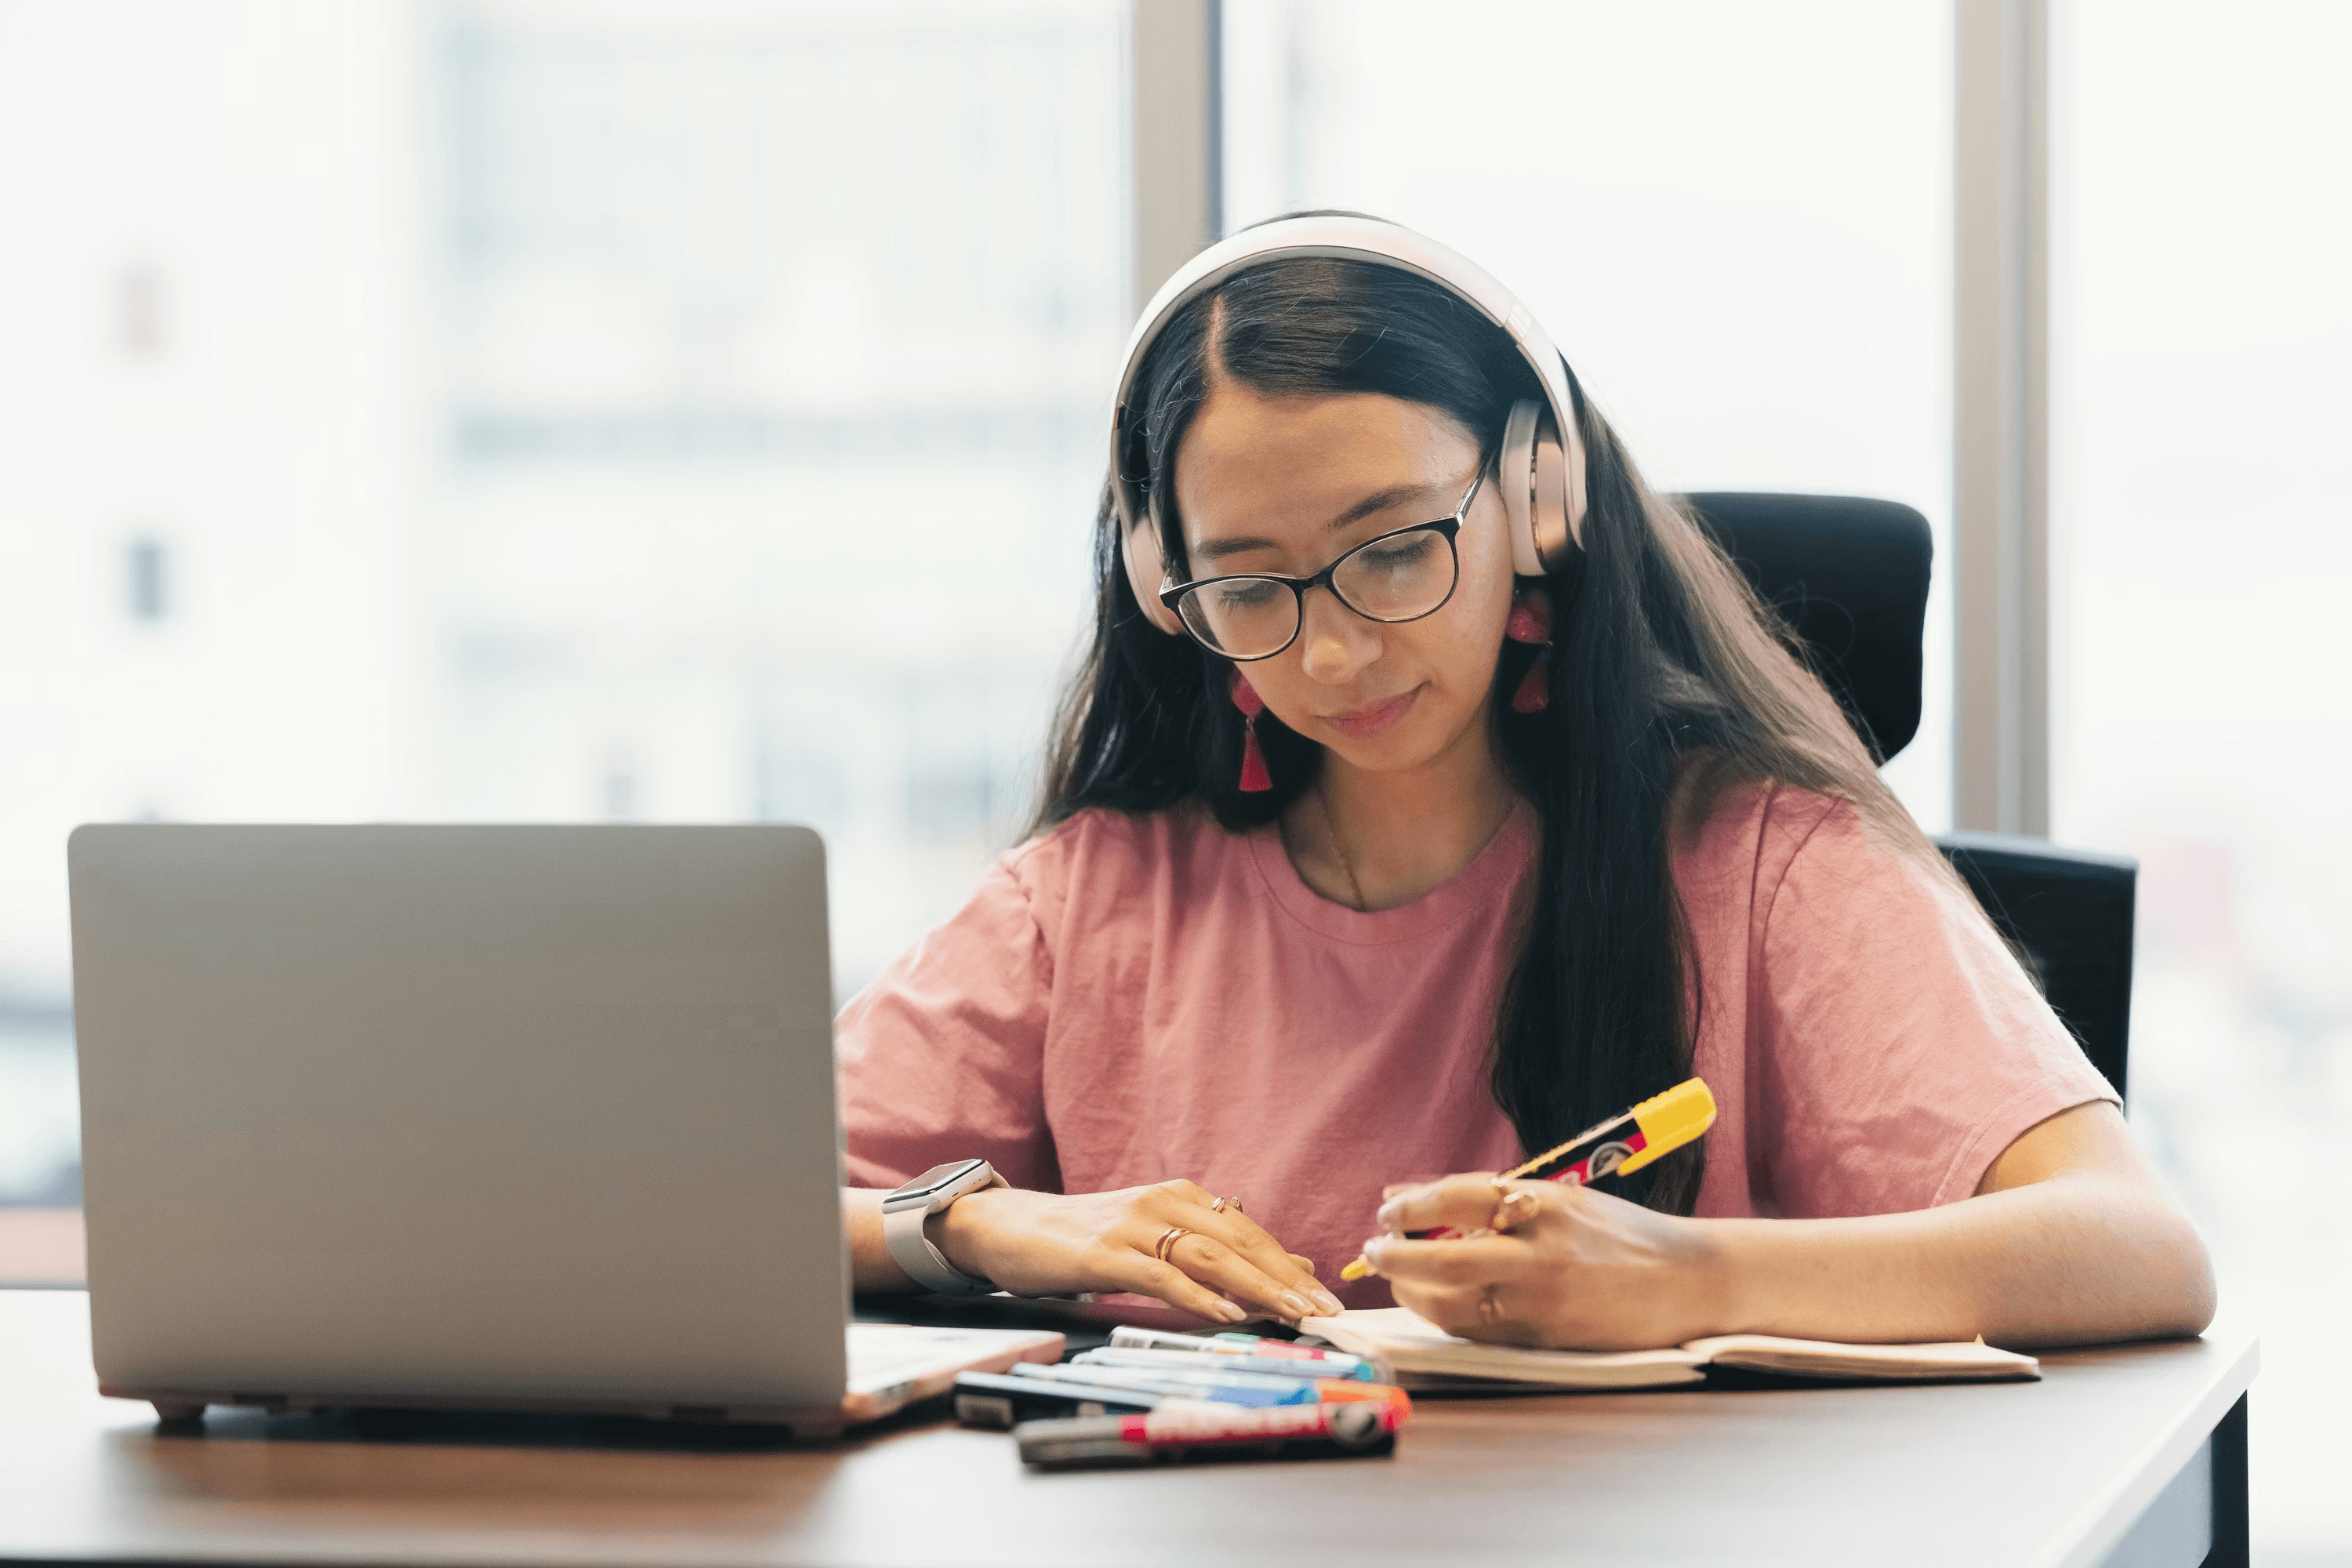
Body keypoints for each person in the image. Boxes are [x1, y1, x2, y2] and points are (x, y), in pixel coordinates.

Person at [833, 215, 2215, 1351]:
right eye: (1250, 585)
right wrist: (975, 1224)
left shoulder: (1753, 859)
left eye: (1391, 549)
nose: (1329, 647)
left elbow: (2135, 1248)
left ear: (1536, 498)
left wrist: (1690, 1276)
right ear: (1164, 588)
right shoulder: (1093, 902)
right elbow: (666, 1210)